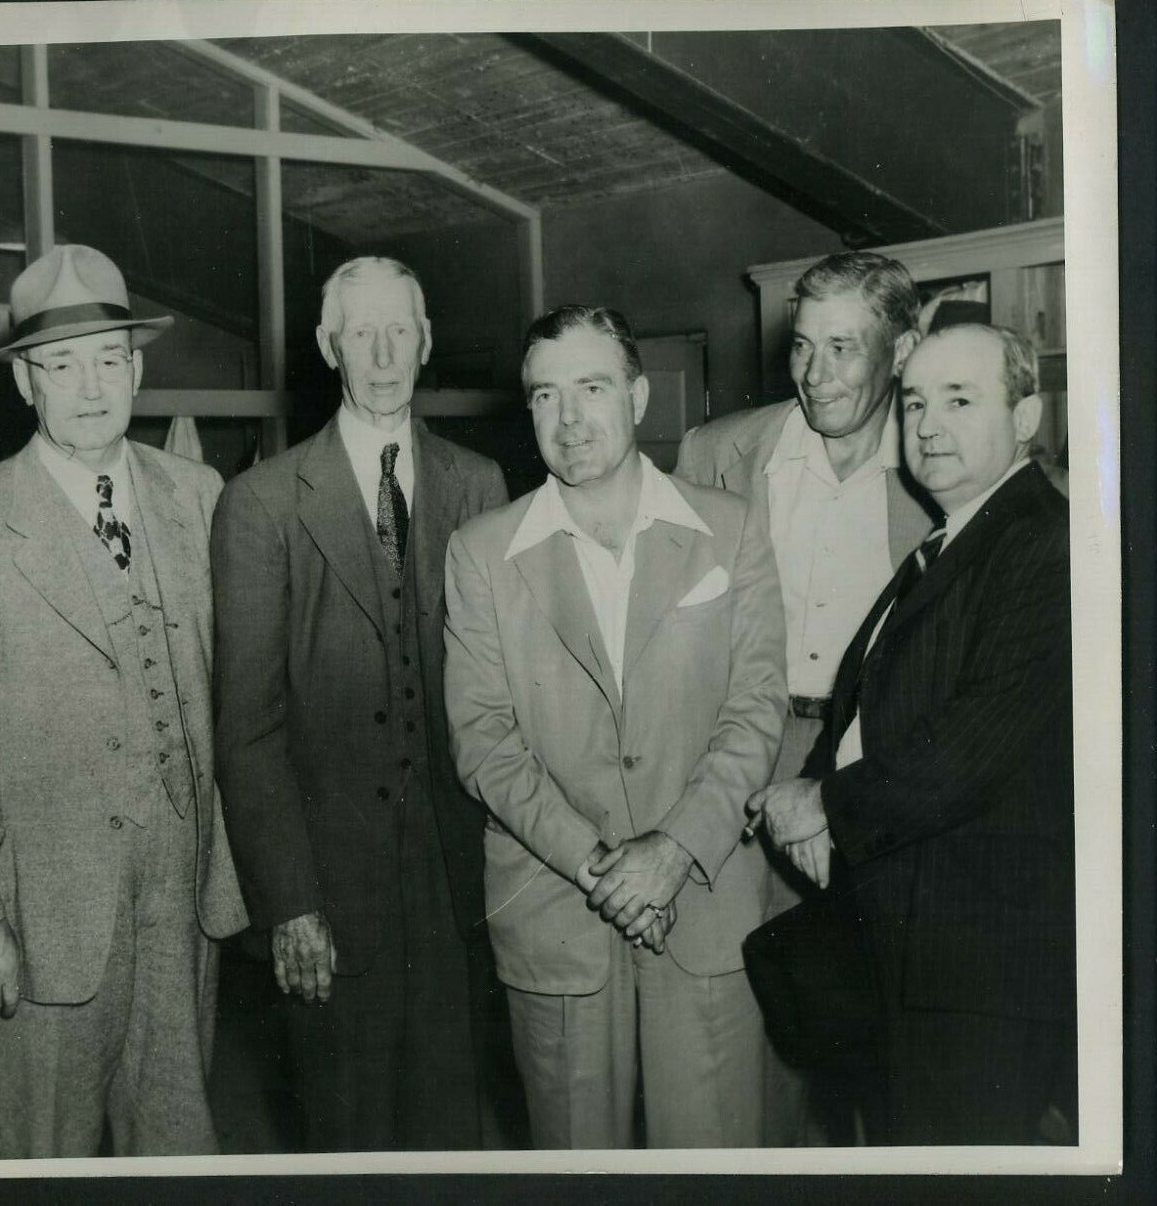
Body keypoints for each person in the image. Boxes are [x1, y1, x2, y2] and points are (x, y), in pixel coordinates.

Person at [0, 244, 247, 1157]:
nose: (90, 386)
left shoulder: (201, 496)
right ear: (25, 384)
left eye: (108, 359)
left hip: (186, 902)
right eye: (61, 365)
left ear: (137, 368)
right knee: (42, 1154)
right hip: (44, 916)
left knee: (182, 1143)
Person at [443, 305, 788, 1148]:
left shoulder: (730, 526)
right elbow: (484, 740)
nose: (568, 420)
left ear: (637, 396)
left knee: (712, 1159)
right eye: (544, 396)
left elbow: (756, 707)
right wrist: (606, 870)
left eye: (591, 388)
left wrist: (672, 852)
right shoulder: (482, 551)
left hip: (704, 900)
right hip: (558, 910)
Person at [746, 323, 1075, 1145]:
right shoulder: (952, 539)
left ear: (1027, 416)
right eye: (917, 402)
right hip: (911, 940)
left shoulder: (1042, 541)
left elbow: (974, 746)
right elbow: (876, 704)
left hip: (977, 963)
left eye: (960, 401)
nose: (927, 425)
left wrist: (825, 803)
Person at [211, 256, 511, 1151]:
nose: (383, 354)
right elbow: (248, 729)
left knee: (452, 1137)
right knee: (348, 1139)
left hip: (459, 887)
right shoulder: (262, 504)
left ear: (425, 342)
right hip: (330, 892)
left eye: (399, 331)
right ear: (327, 346)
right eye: (361, 332)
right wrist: (290, 901)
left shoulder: (480, 484)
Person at [673, 250, 933, 1143]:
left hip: (871, 767)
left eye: (844, 350)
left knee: (867, 1035)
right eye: (802, 348)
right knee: (737, 1023)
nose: (815, 377)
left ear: (901, 351)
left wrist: (843, 789)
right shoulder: (715, 456)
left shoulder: (937, 473)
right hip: (740, 754)